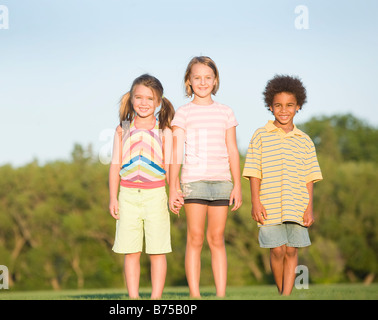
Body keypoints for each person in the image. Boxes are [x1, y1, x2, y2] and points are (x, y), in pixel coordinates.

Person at [242, 74, 323, 295]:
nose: (284, 110)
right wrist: (255, 202)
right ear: (270, 106)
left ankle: (286, 295)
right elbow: (253, 172)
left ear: (298, 106)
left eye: (289, 105)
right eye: (278, 105)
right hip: (269, 204)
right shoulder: (260, 135)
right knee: (277, 250)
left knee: (291, 251)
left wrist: (309, 208)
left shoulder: (305, 140)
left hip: (296, 205)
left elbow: (310, 177)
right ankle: (282, 291)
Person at [169, 56, 242, 298]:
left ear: (215, 80)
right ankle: (195, 295)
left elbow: (232, 149)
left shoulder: (226, 112)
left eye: (207, 78)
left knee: (216, 239)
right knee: (195, 238)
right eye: (197, 78)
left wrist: (237, 186)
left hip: (222, 182)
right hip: (193, 182)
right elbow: (176, 152)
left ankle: (221, 295)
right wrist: (173, 187)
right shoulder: (183, 113)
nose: (202, 82)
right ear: (189, 81)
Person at [108, 74, 178, 299]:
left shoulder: (164, 130)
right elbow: (114, 166)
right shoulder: (123, 129)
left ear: (158, 101)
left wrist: (173, 192)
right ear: (131, 100)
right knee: (131, 251)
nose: (144, 103)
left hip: (156, 195)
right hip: (127, 196)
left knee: (158, 251)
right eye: (139, 97)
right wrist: (113, 198)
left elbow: (170, 166)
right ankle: (134, 298)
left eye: (150, 98)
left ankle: (155, 299)